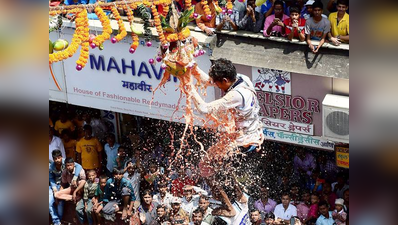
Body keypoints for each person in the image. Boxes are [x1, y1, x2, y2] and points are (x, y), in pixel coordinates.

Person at [190, 58, 264, 153]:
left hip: (246, 143)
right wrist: (192, 68)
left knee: (208, 163)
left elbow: (203, 108)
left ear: (225, 80)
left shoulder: (236, 95)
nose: (217, 85)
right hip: (252, 133)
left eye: (217, 83)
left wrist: (189, 87)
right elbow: (207, 81)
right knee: (209, 156)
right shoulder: (242, 78)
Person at [49, 150, 83, 225]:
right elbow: (51, 178)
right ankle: (56, 221)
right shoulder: (51, 167)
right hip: (57, 185)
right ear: (53, 159)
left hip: (67, 184)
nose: (57, 160)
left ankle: (60, 220)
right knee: (50, 202)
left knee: (60, 202)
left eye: (59, 158)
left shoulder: (66, 162)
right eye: (55, 158)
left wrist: (75, 177)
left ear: (61, 157)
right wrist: (54, 188)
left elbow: (79, 166)